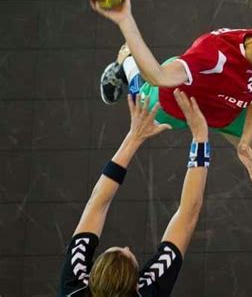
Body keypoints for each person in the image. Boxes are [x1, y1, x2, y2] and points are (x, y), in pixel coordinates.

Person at [91, 0, 252, 264]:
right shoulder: (213, 53)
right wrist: (125, 20)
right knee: (141, 92)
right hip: (181, 102)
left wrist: (244, 143)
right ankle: (126, 61)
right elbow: (159, 77)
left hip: (229, 108)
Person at [59, 89, 210, 296]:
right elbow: (97, 203)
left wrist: (200, 138)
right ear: (136, 286)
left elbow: (189, 215)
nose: (128, 248)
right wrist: (134, 138)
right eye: (129, 255)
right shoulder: (73, 285)